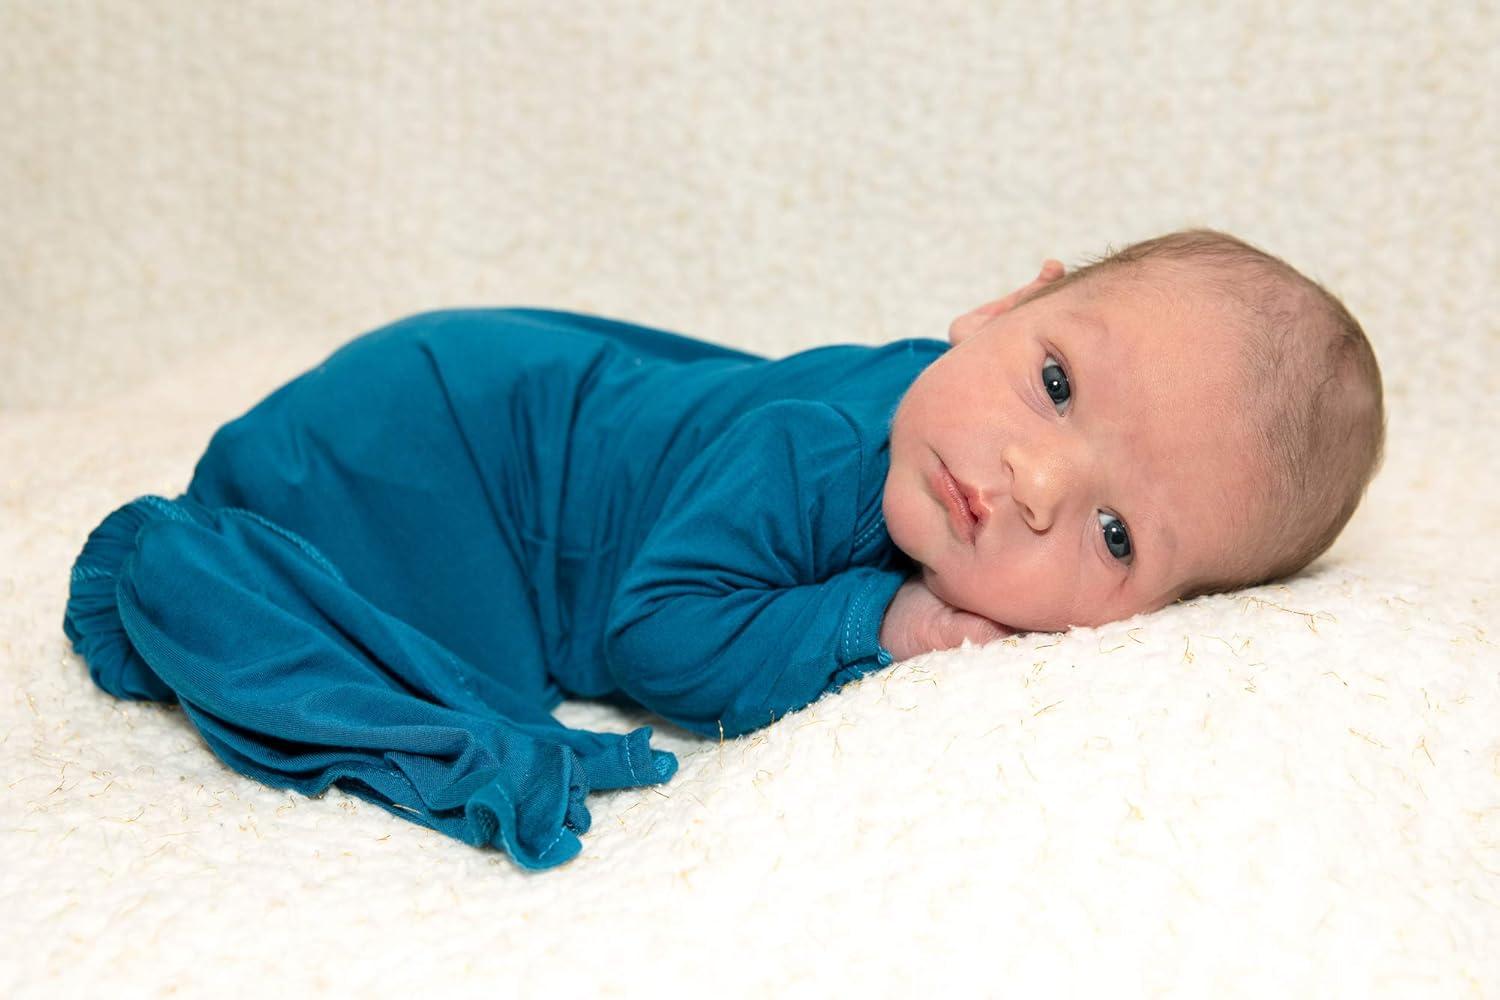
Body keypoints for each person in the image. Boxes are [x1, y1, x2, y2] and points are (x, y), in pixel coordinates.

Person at [61, 228, 1385, 870]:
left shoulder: (945, 434)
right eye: (1054, 383)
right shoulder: (817, 451)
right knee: (363, 657)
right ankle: (203, 576)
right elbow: (653, 635)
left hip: (465, 400)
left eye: (1115, 532)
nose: (1031, 483)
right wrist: (879, 626)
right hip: (426, 449)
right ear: (1002, 305)